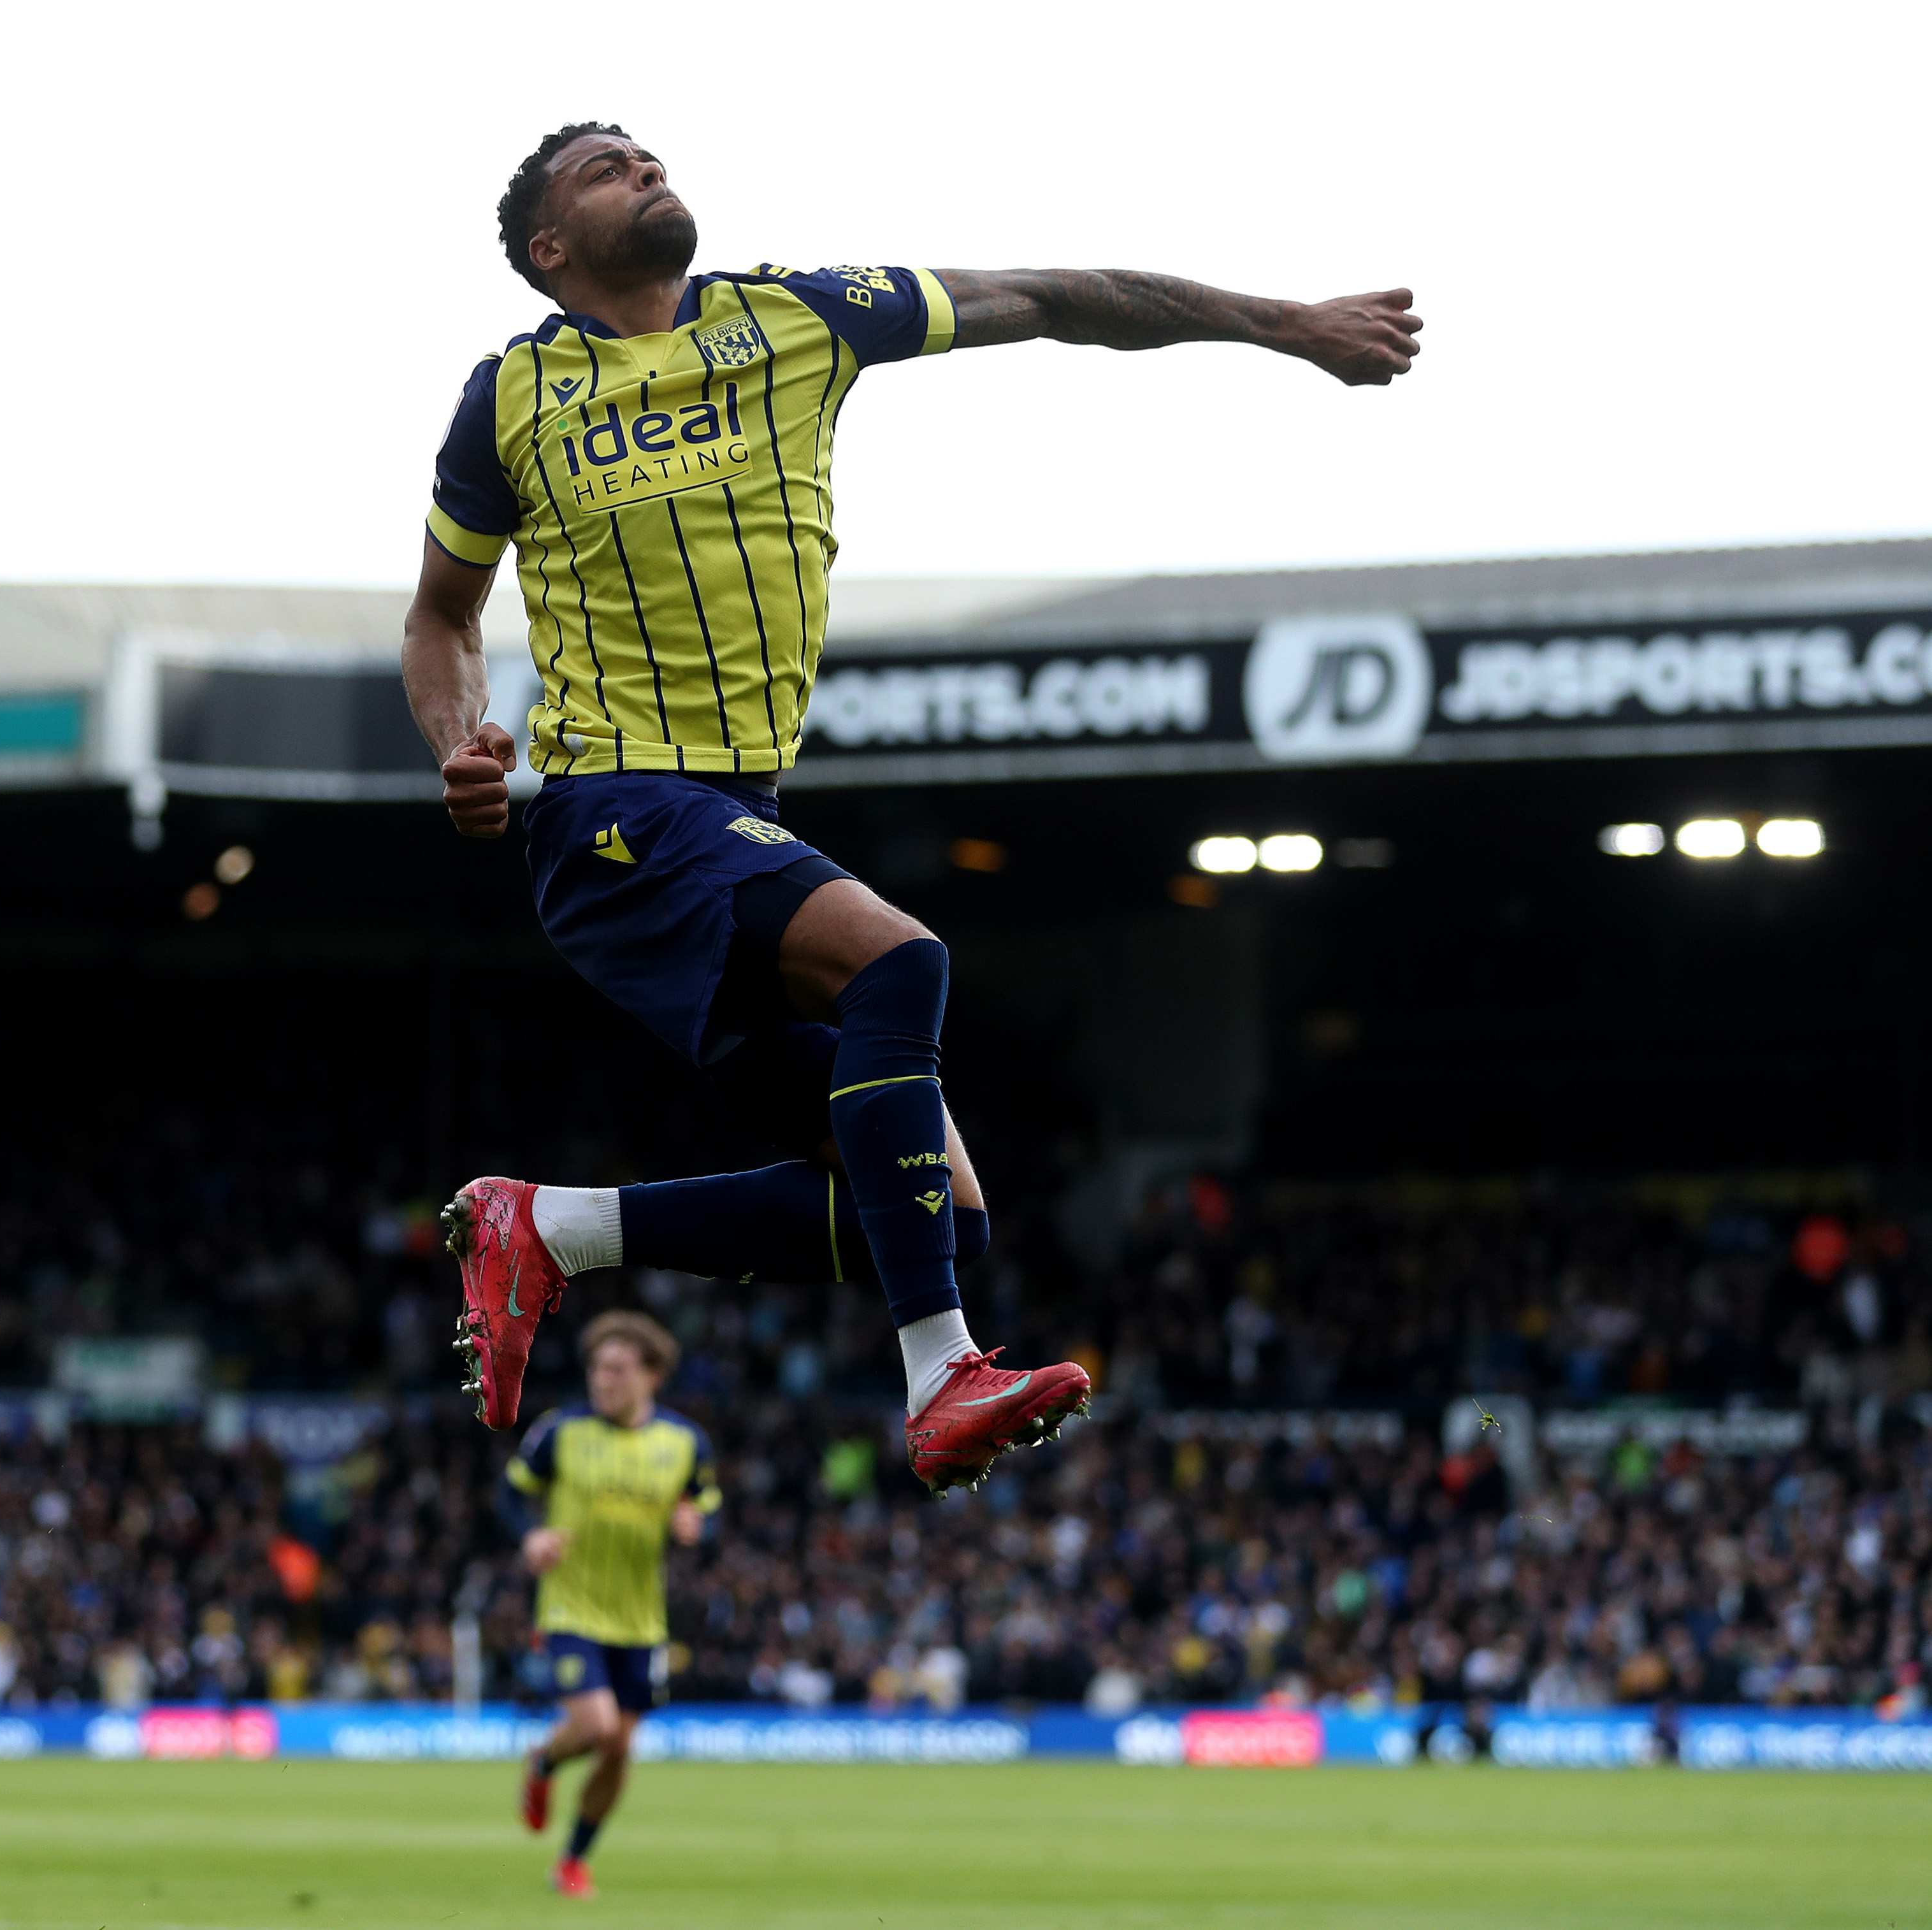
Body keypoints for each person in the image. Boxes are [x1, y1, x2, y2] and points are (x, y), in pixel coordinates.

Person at [406, 123, 1422, 1492]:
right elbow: (441, 617)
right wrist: (456, 740)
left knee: (939, 1213)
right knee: (902, 957)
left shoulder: (799, 315)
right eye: (605, 168)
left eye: (647, 153)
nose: (645, 168)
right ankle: (941, 1369)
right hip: (613, 810)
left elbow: (1057, 299)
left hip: (727, 815)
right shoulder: (508, 398)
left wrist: (1284, 323)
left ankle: (555, 1228)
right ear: (550, 249)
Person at [496, 1309, 717, 1898]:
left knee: (619, 1745)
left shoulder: (685, 1442)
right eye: (597, 1368)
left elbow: (708, 1508)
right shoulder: (559, 1431)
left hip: (642, 1619)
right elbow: (510, 1494)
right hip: (570, 1607)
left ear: (652, 1376)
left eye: (618, 1369)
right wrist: (530, 1534)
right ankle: (544, 1760)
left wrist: (696, 1523)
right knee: (595, 1726)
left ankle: (573, 1860)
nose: (603, 1380)